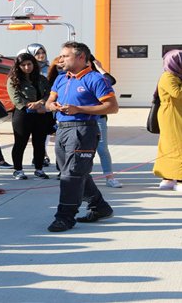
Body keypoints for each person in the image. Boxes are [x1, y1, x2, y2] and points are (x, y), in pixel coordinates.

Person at [45, 42, 118, 233]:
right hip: (61, 129)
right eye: (60, 56)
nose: (60, 59)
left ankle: (64, 217)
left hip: (83, 129)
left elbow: (112, 106)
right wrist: (51, 106)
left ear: (81, 58)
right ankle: (99, 207)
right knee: (71, 172)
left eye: (65, 56)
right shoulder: (61, 79)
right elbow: (49, 102)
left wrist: (79, 109)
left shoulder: (95, 79)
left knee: (72, 175)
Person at [153, 50, 182, 192]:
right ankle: (181, 180)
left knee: (172, 147)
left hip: (179, 113)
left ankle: (168, 179)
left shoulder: (176, 76)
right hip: (172, 115)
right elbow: (177, 94)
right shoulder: (168, 77)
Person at [7, 53, 50, 180]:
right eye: (23, 65)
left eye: (29, 64)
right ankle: (18, 170)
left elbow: (49, 94)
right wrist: (30, 105)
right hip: (23, 114)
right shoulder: (13, 80)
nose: (27, 67)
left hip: (41, 113)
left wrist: (40, 103)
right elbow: (15, 98)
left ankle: (39, 168)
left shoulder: (41, 79)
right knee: (20, 143)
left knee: (40, 143)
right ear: (18, 66)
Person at [89, 56, 123, 188]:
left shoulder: (97, 76)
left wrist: (100, 67)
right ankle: (84, 177)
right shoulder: (75, 77)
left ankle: (110, 177)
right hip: (82, 118)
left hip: (99, 118)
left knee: (102, 148)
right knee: (84, 150)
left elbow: (111, 80)